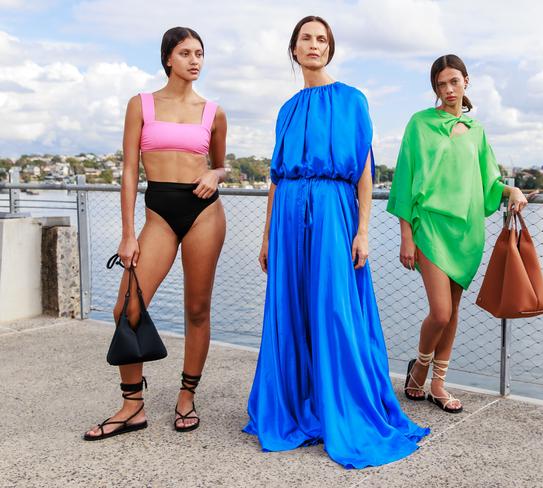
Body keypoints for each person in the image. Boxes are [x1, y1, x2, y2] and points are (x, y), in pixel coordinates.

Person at [243, 16, 429, 469]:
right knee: (291, 308)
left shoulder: (351, 100)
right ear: (293, 49)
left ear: (330, 49)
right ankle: (300, 403)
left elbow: (364, 171)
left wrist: (363, 230)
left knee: (335, 308)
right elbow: (275, 178)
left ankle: (343, 407)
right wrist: (267, 235)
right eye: (306, 38)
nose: (314, 45)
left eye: (322, 39)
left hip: (333, 212)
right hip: (288, 213)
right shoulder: (286, 109)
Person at [84, 26, 227, 440]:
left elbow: (220, 164)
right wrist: (128, 233)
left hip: (205, 213)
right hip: (158, 215)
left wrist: (216, 175)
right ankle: (132, 406)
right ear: (168, 58)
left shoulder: (212, 110)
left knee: (197, 310)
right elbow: (130, 170)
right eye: (185, 53)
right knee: (126, 308)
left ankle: (187, 395)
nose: (195, 60)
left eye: (199, 53)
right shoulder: (141, 104)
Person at [387, 54, 531, 413]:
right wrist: (406, 235)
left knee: (453, 313)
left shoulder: (477, 131)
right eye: (441, 84)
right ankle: (419, 368)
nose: (448, 90)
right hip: (430, 227)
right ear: (435, 87)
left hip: (466, 232)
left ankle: (438, 384)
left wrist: (511, 191)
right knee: (439, 312)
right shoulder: (419, 124)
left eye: (454, 81)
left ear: (466, 81)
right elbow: (404, 179)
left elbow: (489, 181)